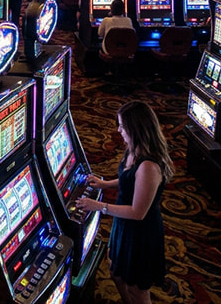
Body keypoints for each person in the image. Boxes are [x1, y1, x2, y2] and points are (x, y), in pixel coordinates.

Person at [76, 100, 174, 304]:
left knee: (137, 289)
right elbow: (129, 179)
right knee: (116, 272)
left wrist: (99, 207)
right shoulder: (134, 149)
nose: (118, 130)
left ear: (136, 129)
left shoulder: (149, 166)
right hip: (124, 222)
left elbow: (138, 212)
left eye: (122, 126)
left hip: (140, 232)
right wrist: (105, 184)